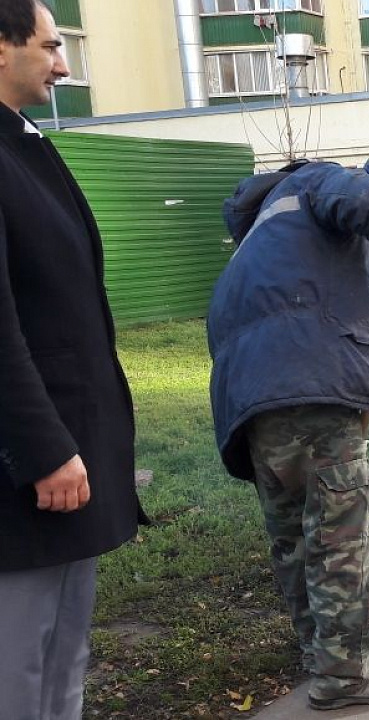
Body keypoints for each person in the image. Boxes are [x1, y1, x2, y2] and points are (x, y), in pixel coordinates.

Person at [208, 133, 369, 710]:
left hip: (251, 396)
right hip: (312, 384)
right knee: (338, 533)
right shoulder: (317, 179)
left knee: (292, 531)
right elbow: (366, 199)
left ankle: (323, 645)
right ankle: (344, 676)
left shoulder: (264, 229)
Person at [0, 2, 147, 717]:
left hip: (63, 461)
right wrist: (43, 448)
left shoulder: (22, 143)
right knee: (19, 670)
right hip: (28, 473)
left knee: (62, 658)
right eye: (52, 46)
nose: (64, 65)